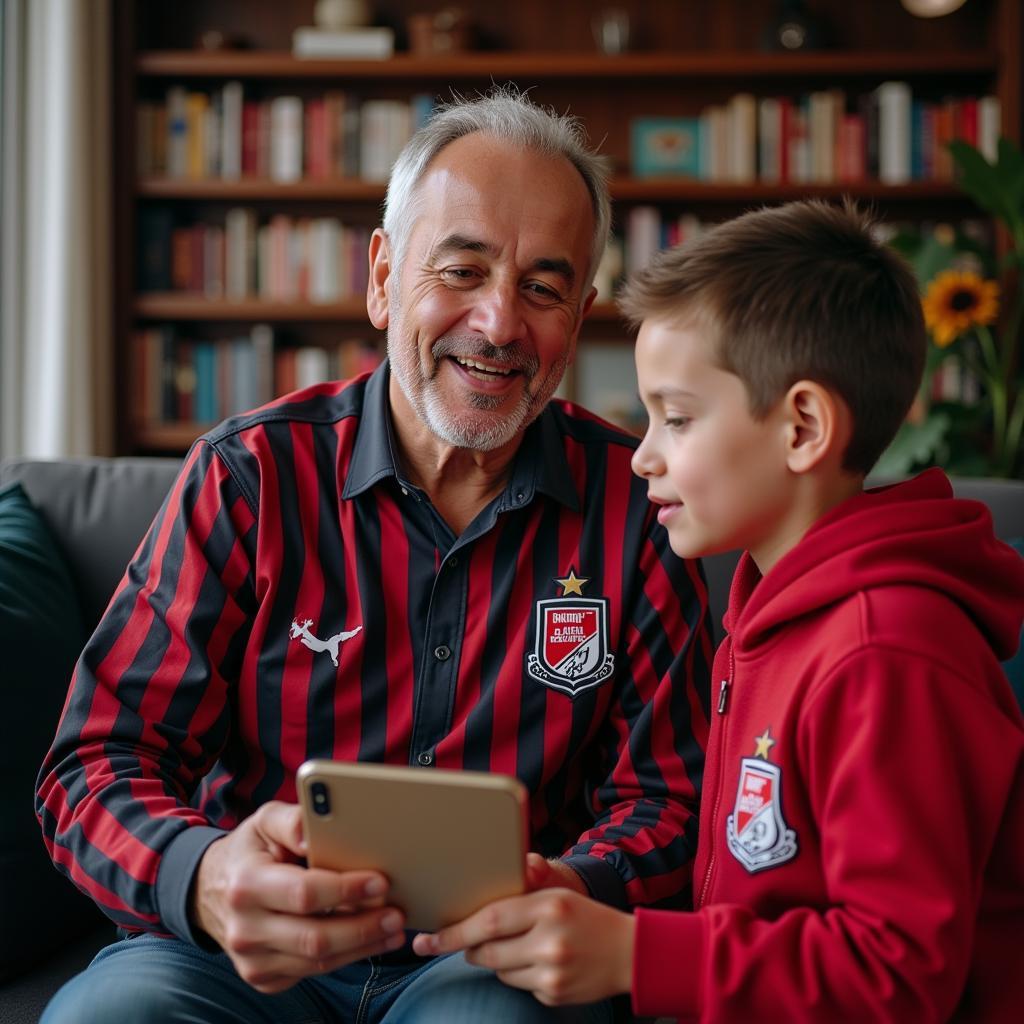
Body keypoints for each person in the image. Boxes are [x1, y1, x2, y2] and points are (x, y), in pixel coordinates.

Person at [35, 90, 711, 1024]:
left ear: (582, 313)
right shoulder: (249, 478)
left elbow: (672, 799)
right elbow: (97, 764)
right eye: (462, 269)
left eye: (543, 288)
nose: (500, 322)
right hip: (239, 960)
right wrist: (204, 877)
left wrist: (574, 885)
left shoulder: (639, 509)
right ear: (385, 278)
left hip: (492, 966)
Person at [412, 199, 1024, 1021]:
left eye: (679, 418)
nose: (644, 455)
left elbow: (902, 973)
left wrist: (636, 954)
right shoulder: (771, 611)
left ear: (802, 426)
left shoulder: (886, 652)